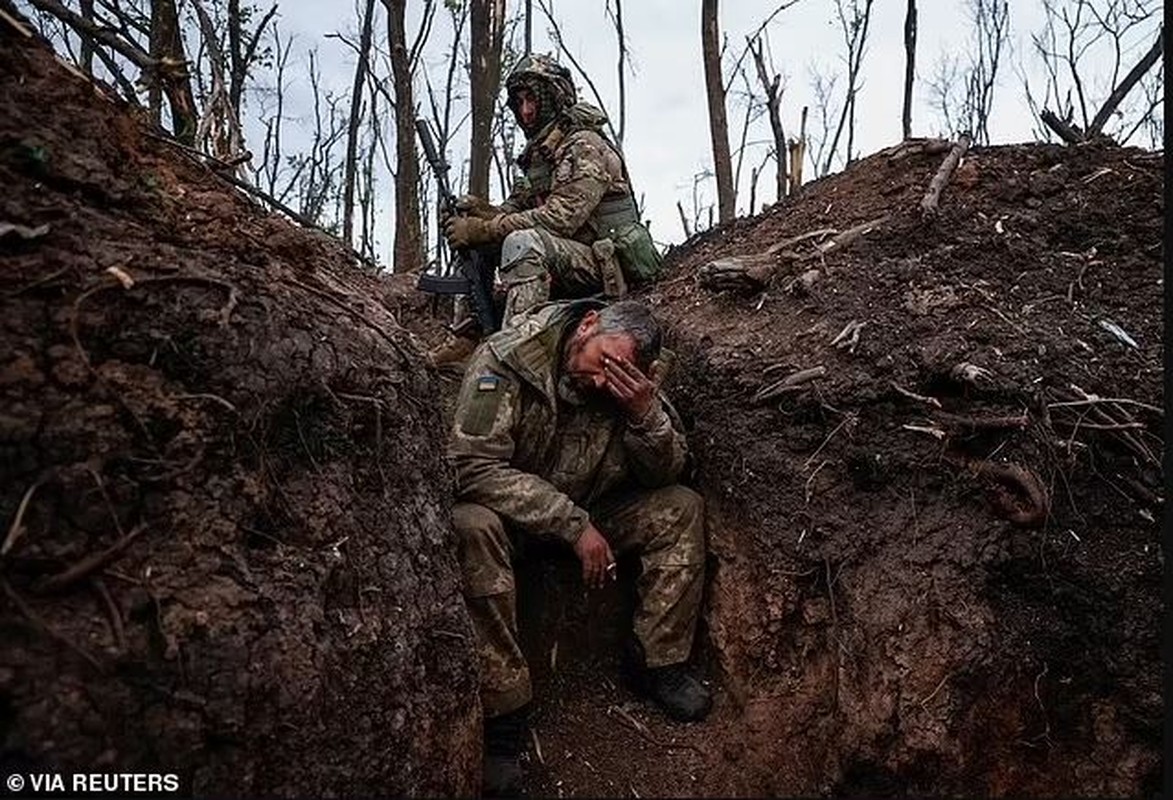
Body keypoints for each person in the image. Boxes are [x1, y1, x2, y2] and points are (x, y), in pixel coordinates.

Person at [448, 298, 710, 795]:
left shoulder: (633, 382)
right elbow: (471, 466)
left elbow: (667, 473)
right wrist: (572, 525)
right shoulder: (508, 358)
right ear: (587, 325)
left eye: (619, 375)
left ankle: (659, 663)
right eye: (603, 363)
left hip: (593, 507)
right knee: (469, 526)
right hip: (515, 519)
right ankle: (503, 716)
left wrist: (643, 415)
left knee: (680, 507)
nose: (601, 382)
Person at [432, 53, 662, 366]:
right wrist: (478, 213)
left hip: (602, 265)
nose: (526, 111)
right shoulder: (541, 153)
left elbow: (561, 218)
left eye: (533, 100)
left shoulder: (584, 145)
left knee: (520, 241)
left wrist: (485, 228)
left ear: (555, 97)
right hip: (565, 257)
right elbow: (516, 208)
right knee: (474, 243)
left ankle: (517, 350)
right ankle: (467, 337)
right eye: (520, 102)